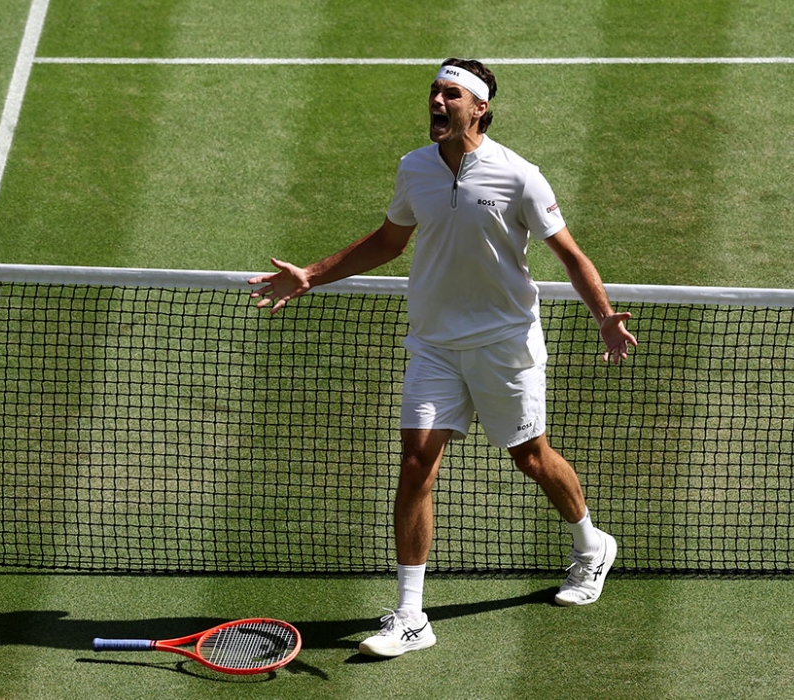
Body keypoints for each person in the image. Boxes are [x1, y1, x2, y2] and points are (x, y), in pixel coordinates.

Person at [249, 58, 637, 659]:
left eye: (449, 94)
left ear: (478, 107)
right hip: (433, 344)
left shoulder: (520, 177)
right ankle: (410, 616)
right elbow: (388, 240)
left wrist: (604, 316)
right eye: (433, 91)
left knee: (530, 459)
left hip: (505, 344)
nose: (436, 101)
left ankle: (591, 545)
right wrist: (312, 275)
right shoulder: (414, 169)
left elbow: (569, 255)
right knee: (415, 465)